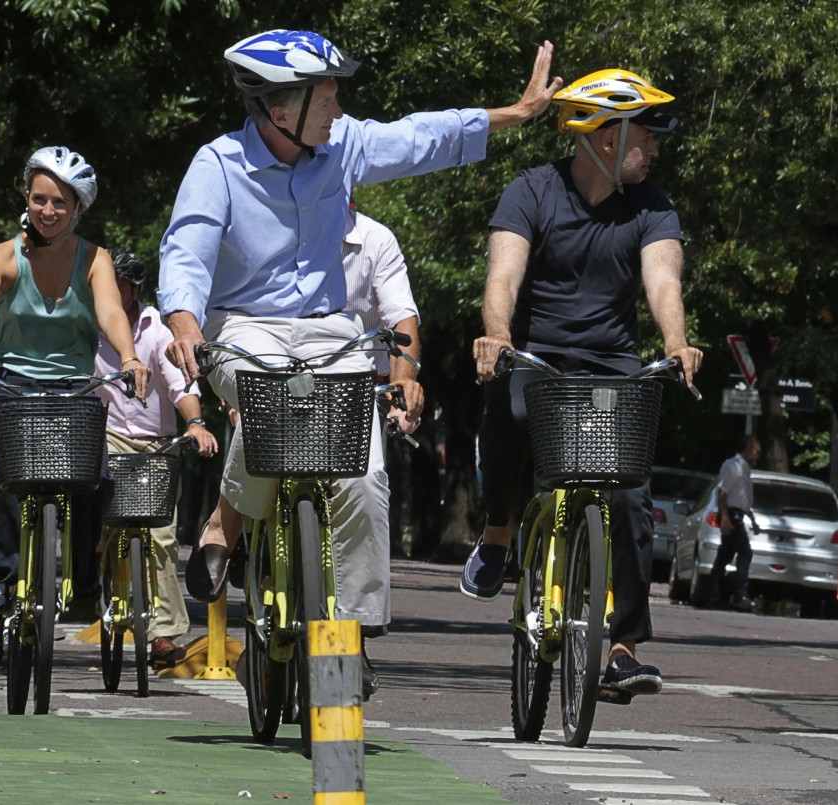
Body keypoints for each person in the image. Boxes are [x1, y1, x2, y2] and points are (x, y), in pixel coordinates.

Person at [159, 29, 563, 614]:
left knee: (364, 476)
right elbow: (186, 254)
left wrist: (517, 113)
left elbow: (422, 137)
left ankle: (355, 627)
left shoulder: (341, 145)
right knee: (270, 403)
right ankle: (227, 522)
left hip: (331, 331)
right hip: (243, 327)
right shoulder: (217, 165)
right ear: (280, 111)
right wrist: (184, 323)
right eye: (327, 100)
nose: (339, 111)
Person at [462, 69, 703, 698]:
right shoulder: (532, 191)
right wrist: (499, 336)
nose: (652, 149)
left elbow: (663, 283)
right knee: (508, 408)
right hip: (538, 353)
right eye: (643, 137)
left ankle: (622, 647)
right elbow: (503, 277)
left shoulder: (653, 209)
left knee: (626, 494)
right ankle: (498, 531)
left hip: (611, 362)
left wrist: (675, 345)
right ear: (602, 138)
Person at [0, 147, 150, 646]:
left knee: (96, 481)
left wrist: (129, 357)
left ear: (78, 207)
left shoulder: (95, 260)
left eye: (60, 203)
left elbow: (111, 311)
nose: (48, 211)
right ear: (27, 197)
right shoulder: (2, 258)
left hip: (71, 393)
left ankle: (83, 580)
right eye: (40, 199)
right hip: (5, 392)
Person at [91, 250, 218, 667]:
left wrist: (196, 423)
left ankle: (163, 634)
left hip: (156, 446)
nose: (118, 291)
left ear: (136, 289)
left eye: (124, 285)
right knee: (102, 527)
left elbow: (179, 382)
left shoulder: (157, 330)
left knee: (161, 536)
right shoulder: (90, 324)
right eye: (113, 283)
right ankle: (92, 590)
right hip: (105, 438)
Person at [334, 209, 423, 696]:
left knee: (367, 483)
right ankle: (230, 535)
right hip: (277, 377)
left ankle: (357, 629)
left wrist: (403, 381)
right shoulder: (266, 221)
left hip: (355, 387)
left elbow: (402, 319)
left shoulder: (375, 239)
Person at [709, 435, 760, 611]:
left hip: (737, 514)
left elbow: (742, 499)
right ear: (747, 449)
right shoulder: (733, 466)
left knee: (725, 555)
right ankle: (740, 595)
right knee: (745, 552)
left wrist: (753, 521)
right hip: (731, 515)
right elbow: (723, 493)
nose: (758, 453)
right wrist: (724, 517)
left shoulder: (744, 468)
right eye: (756, 449)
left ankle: (714, 595)